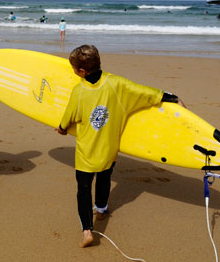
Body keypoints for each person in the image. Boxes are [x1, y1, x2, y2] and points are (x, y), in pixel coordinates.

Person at [55, 45, 186, 248]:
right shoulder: (117, 84)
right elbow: (144, 92)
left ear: (82, 72)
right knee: (105, 178)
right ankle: (101, 209)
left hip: (85, 152)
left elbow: (68, 117)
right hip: (108, 149)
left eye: (74, 69)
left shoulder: (79, 91)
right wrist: (171, 97)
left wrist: (62, 128)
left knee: (83, 189)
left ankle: (87, 231)